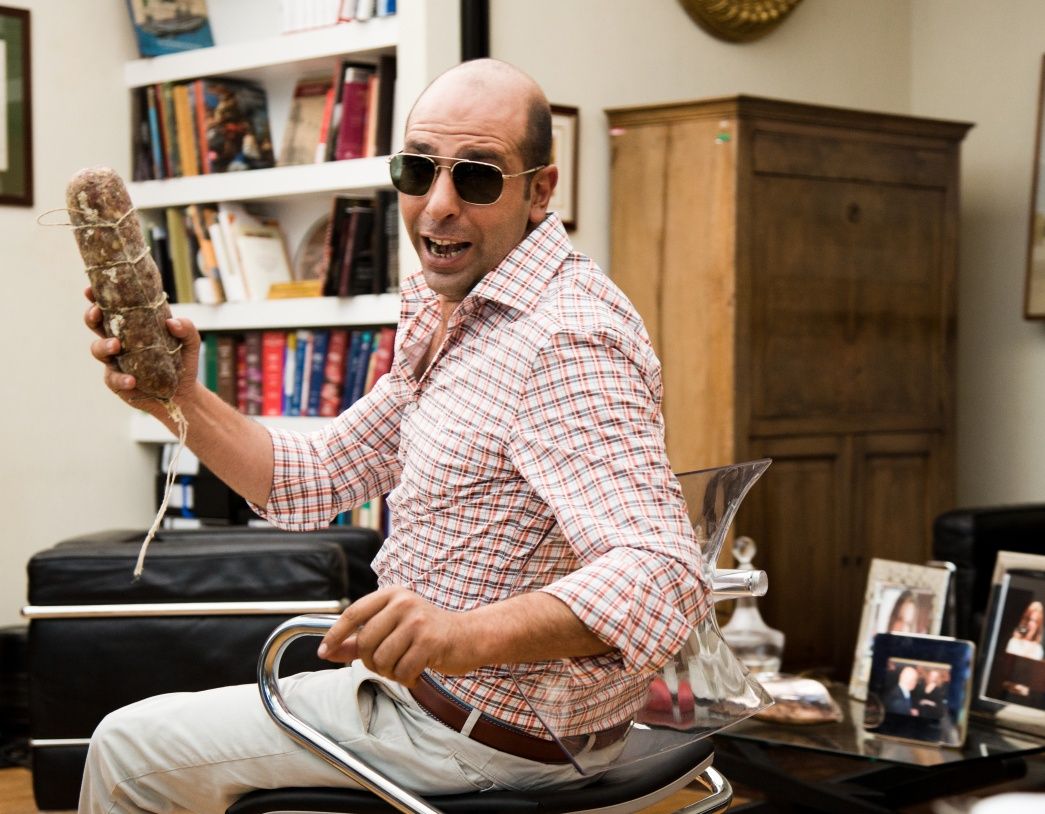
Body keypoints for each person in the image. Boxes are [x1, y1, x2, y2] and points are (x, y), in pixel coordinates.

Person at [79, 59, 709, 814]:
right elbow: (312, 478)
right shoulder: (464, 321)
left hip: (472, 735)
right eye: (417, 170)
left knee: (124, 748)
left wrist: (459, 636)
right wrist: (178, 397)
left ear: (540, 190)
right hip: (439, 706)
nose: (436, 206)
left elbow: (662, 576)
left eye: (477, 178)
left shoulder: (565, 338)